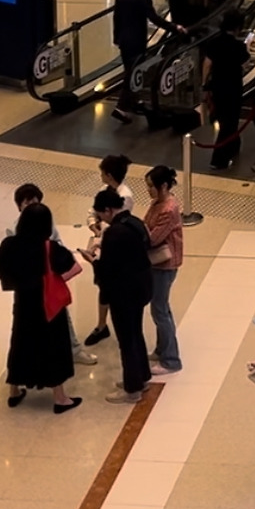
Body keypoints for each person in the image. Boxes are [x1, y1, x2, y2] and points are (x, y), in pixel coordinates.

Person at [0, 201, 82, 412]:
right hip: (49, 305)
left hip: (24, 303)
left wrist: (16, 283)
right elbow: (72, 265)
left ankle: (14, 390)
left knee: (20, 343)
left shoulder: (9, 244)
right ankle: (60, 398)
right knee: (54, 346)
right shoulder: (50, 248)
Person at [95, 187, 154, 403]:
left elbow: (107, 269)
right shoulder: (136, 223)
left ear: (108, 210)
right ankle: (142, 376)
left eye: (101, 215)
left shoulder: (114, 233)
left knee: (126, 340)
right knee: (136, 333)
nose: (101, 220)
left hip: (123, 293)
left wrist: (94, 261)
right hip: (142, 286)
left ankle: (132, 389)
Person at [112, 0, 184, 123]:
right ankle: (121, 107)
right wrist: (174, 27)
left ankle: (134, 101)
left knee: (129, 70)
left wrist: (116, 37)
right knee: (132, 73)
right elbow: (154, 18)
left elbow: (116, 17)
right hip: (136, 40)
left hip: (124, 40)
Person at [82, 156, 134, 346]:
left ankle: (119, 326)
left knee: (114, 286)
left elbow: (114, 223)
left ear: (109, 175)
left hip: (115, 247)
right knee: (103, 285)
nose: (100, 176)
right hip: (103, 242)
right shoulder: (104, 190)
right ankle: (102, 325)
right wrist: (93, 224)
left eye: (102, 172)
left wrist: (100, 231)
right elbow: (93, 211)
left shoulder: (125, 196)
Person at [143, 165, 184, 377]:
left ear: (164, 186)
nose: (148, 190)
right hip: (156, 264)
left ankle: (171, 359)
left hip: (164, 265)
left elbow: (153, 238)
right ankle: (162, 349)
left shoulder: (168, 209)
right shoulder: (157, 203)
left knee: (160, 310)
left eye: (152, 186)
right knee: (161, 308)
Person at [201, 17, 248, 171]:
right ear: (237, 28)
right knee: (230, 122)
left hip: (218, 87)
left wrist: (204, 85)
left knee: (224, 120)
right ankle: (218, 159)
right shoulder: (239, 46)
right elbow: (245, 63)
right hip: (233, 88)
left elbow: (207, 64)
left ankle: (234, 146)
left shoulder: (213, 42)